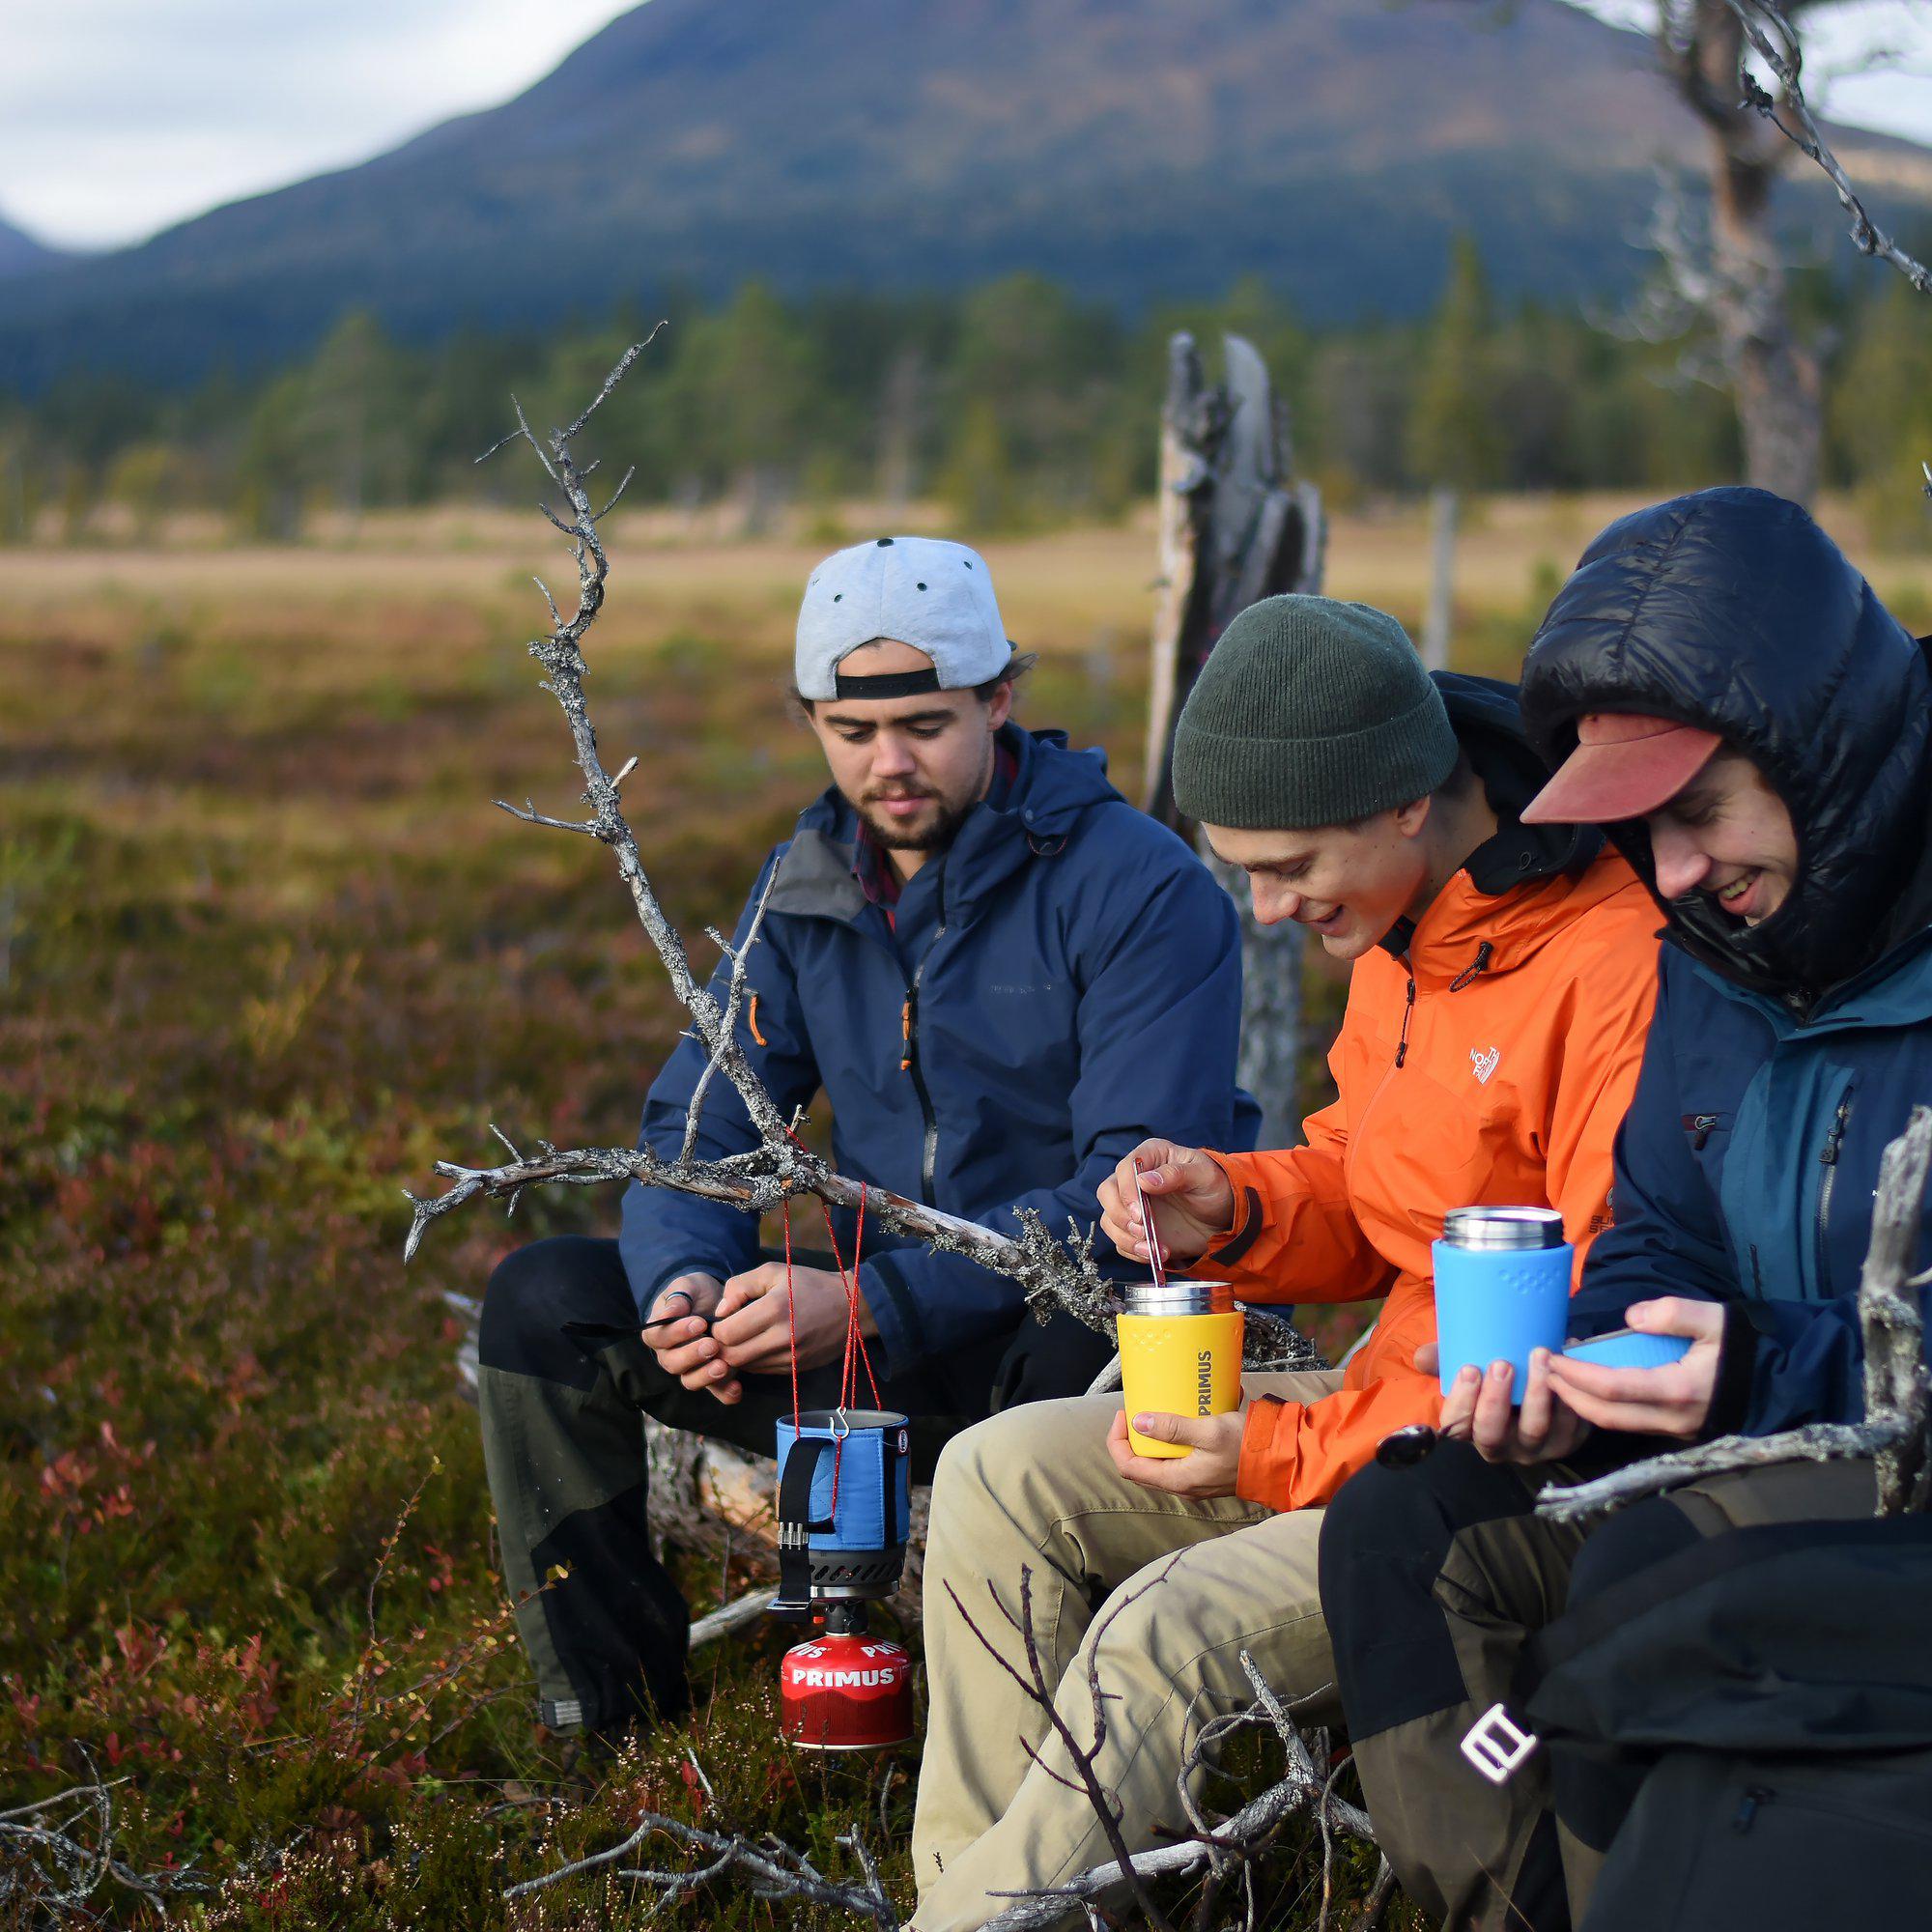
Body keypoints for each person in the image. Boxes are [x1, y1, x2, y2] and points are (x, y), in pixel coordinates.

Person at [910, 593, 1662, 1931]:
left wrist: (1271, 1450)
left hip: (1488, 1487)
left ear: (1403, 806)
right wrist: (1236, 1209)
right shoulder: (1408, 945)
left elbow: (1570, 1349)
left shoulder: (1612, 970)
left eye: (1286, 863)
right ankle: (977, 1898)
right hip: (1378, 1413)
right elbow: (1375, 1197)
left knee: (1166, 1626)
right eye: (1242, 869)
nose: (1264, 910)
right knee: (995, 1474)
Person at [475, 535, 1260, 1747]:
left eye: (925, 723)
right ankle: (607, 1734)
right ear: (810, 722)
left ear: (999, 700)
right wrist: (685, 1284)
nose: (887, 763)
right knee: (547, 1303)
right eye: (850, 731)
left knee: (1082, 1332)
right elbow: (699, 1127)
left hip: (1059, 1353)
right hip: (862, 1366)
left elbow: (1139, 1206)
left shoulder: (1140, 890)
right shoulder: (801, 890)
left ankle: (1062, 1746)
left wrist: (874, 1298)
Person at [1318, 485, 1932, 1932]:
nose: (1675, 876)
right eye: (1643, 836)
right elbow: (1655, 1231)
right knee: (1406, 1526)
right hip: (1745, 1442)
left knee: (1643, 1597)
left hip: (1886, 1474)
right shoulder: (1714, 956)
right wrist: (1580, 1371)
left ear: (1817, 754)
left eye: (1699, 815)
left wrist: (1771, 1368)